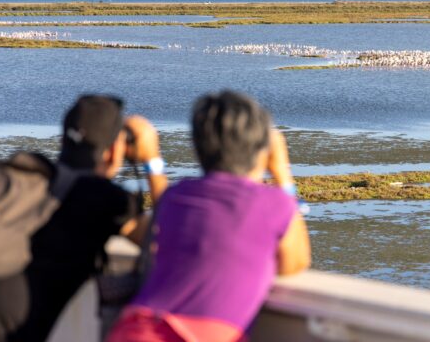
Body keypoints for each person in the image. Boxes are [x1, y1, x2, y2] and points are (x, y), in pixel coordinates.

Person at [107, 90, 311, 342]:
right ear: (263, 150)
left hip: (134, 329)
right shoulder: (275, 204)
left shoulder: (177, 197)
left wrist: (152, 160)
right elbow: (296, 263)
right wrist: (282, 173)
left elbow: (159, 223)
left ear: (197, 146)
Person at [8, 95, 168, 342]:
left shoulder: (15, 175)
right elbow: (169, 239)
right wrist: (152, 162)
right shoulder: (108, 202)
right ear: (115, 151)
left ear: (63, 139)